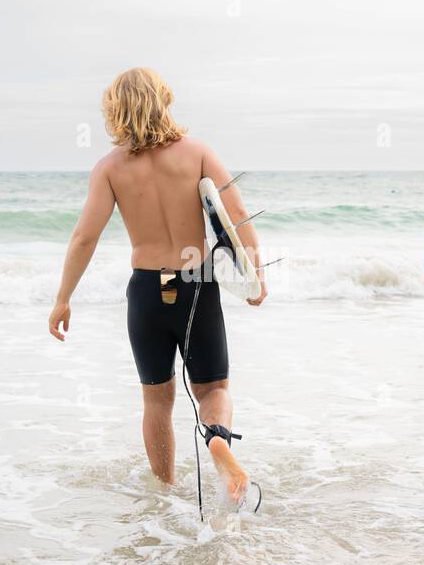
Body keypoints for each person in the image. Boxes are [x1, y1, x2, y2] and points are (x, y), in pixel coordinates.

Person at [48, 67, 266, 505]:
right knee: (214, 388)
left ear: (117, 110)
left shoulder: (109, 168)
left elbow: (84, 237)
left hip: (147, 291)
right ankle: (218, 438)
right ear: (164, 100)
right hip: (196, 283)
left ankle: (166, 494)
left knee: (156, 399)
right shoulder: (198, 153)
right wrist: (256, 278)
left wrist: (63, 298)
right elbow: (237, 215)